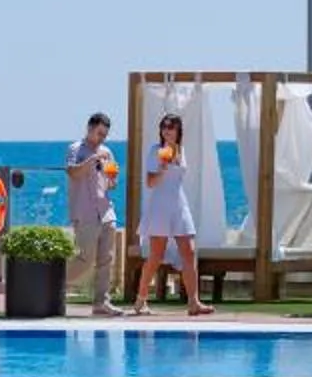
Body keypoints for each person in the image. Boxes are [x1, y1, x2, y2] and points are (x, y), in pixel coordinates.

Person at [131, 111, 211, 317]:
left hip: (179, 203)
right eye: (164, 126)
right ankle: (140, 299)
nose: (166, 130)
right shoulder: (155, 151)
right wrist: (162, 168)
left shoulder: (181, 151)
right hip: (160, 205)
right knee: (156, 255)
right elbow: (150, 182)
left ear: (178, 131)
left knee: (190, 251)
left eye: (171, 127)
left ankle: (194, 302)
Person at [66, 112, 124, 318]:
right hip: (85, 213)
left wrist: (113, 178)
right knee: (85, 259)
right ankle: (57, 285)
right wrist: (92, 159)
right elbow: (73, 172)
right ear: (89, 128)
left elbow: (111, 183)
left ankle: (101, 302)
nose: (102, 138)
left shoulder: (107, 152)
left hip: (106, 211)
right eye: (99, 133)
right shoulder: (75, 149)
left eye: (105, 135)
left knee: (106, 260)